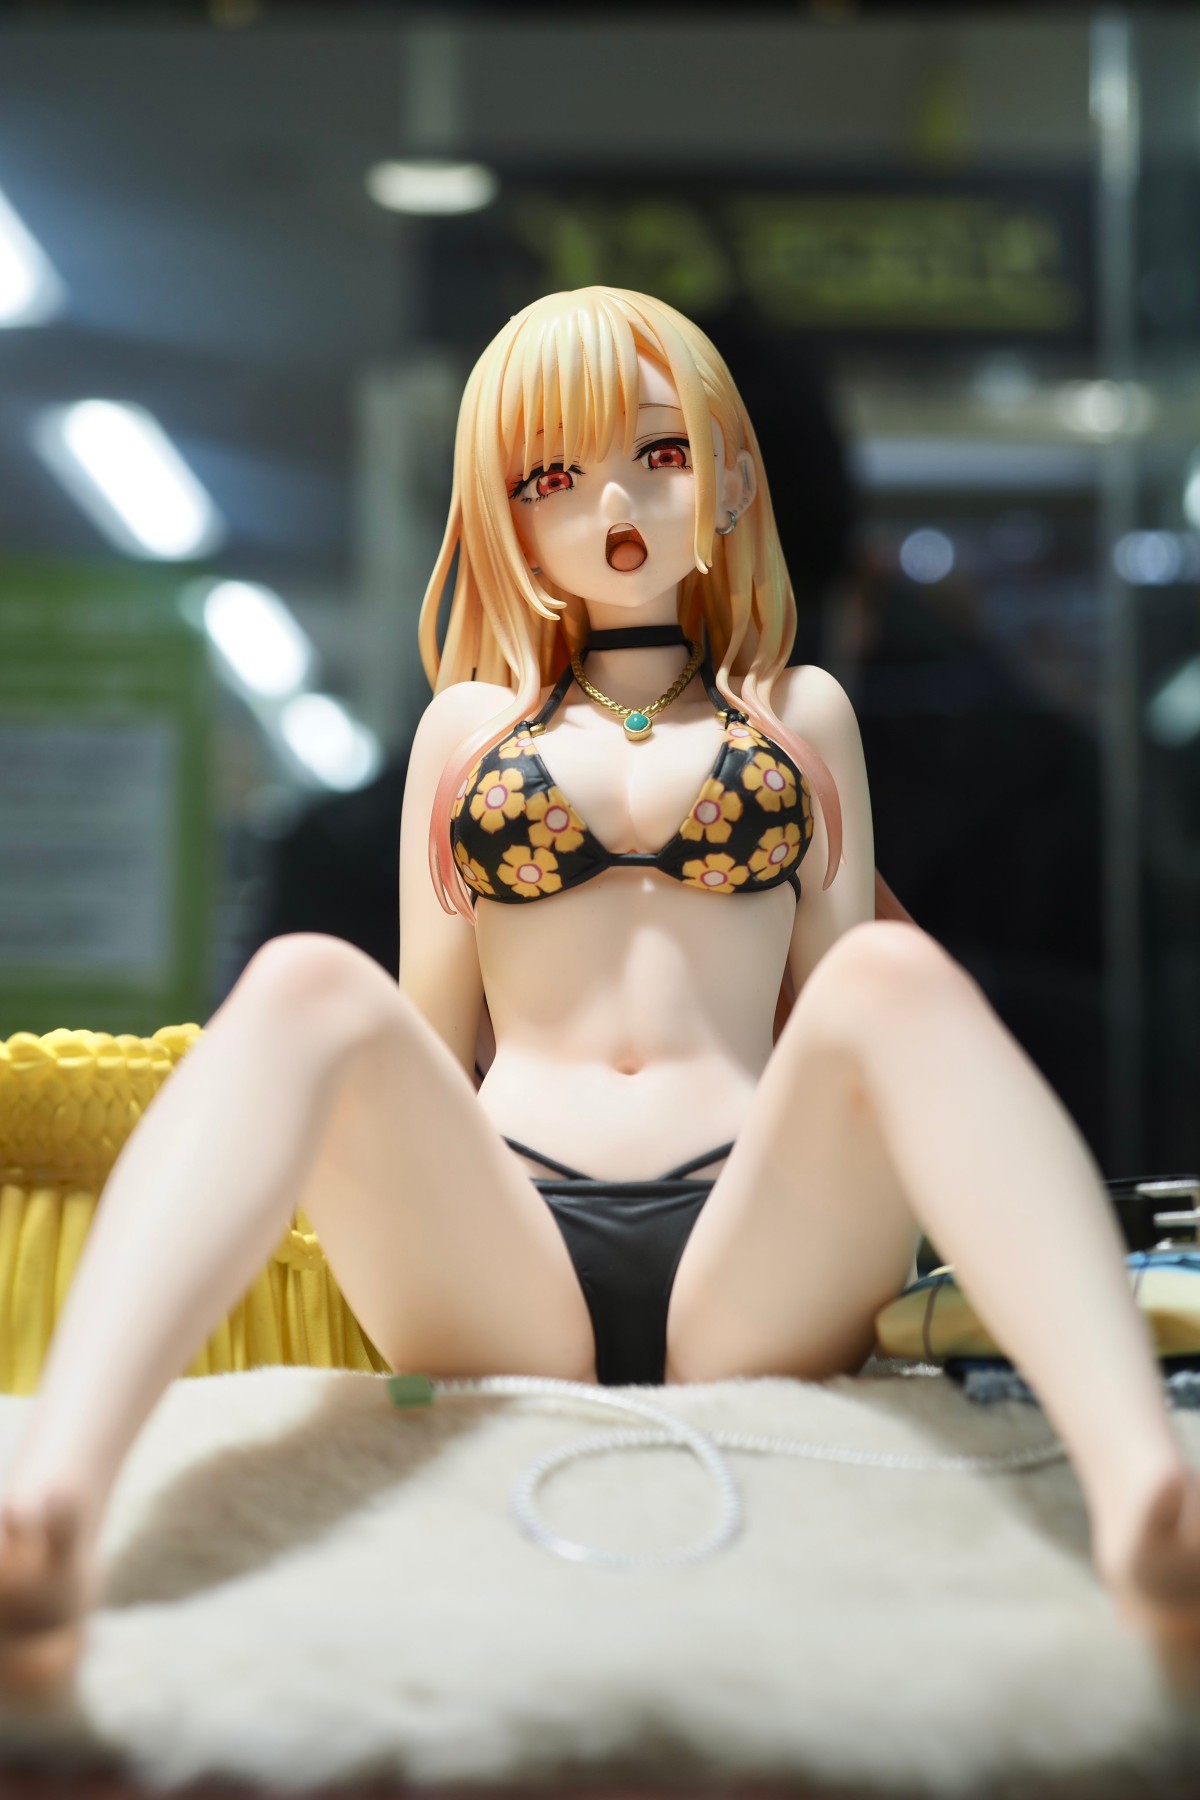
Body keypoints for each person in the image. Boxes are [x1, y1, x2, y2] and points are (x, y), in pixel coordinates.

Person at [1, 287, 1198, 1693]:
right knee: (309, 984)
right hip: (508, 1244)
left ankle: (1143, 1492)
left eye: (660, 452)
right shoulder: (468, 730)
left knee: (890, 973)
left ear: (733, 479)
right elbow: (425, 1040)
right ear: (501, 515)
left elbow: (849, 1019)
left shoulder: (801, 714)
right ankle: (57, 1493)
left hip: (754, 1242)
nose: (614, 504)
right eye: (552, 476)